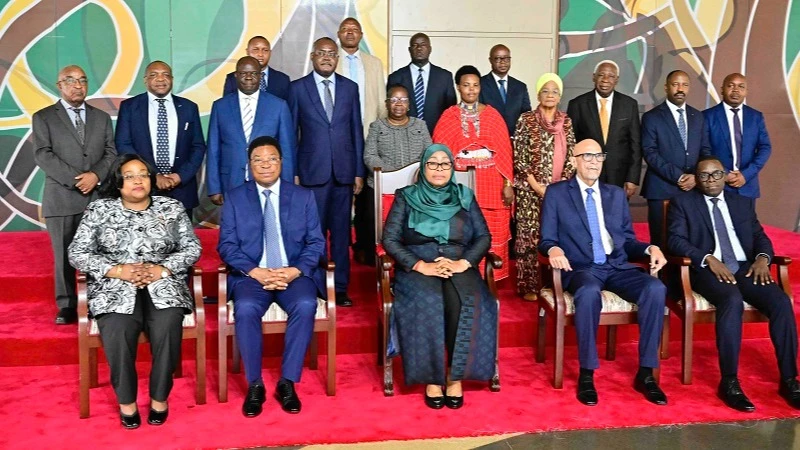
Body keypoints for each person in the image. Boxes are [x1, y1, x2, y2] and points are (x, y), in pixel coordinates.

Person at [68, 154, 201, 429]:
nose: (137, 180)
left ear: (151, 179)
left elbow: (192, 248)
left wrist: (162, 269)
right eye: (129, 176)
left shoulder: (172, 207)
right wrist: (118, 270)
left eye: (143, 174)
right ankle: (126, 402)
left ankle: (159, 398)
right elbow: (77, 252)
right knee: (118, 329)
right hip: (115, 287)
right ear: (118, 183)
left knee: (166, 325)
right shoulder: (99, 210)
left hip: (163, 284)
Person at [539, 139, 668, 407]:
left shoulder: (615, 195)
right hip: (580, 268)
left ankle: (646, 373)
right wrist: (552, 250)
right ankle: (587, 373)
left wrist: (650, 249)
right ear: (573, 160)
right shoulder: (557, 193)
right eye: (587, 156)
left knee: (655, 289)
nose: (594, 161)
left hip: (616, 266)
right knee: (587, 293)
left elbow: (628, 241)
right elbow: (546, 239)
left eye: (598, 156)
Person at [667, 156, 800, 412]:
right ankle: (729, 381)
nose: (711, 180)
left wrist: (762, 259)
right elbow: (675, 240)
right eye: (704, 175)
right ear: (697, 178)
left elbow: (760, 236)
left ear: (724, 174)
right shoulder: (683, 202)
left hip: (745, 267)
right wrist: (707, 259)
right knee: (731, 299)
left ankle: (790, 380)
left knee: (781, 301)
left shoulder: (741, 203)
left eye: (716, 174)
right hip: (706, 270)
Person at [382, 144, 498, 410]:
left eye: (444, 164)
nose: (439, 169)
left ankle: (455, 376)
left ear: (452, 168)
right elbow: (389, 238)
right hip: (420, 262)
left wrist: (464, 263)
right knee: (427, 301)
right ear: (423, 167)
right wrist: (419, 265)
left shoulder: (465, 196)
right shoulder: (406, 196)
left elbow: (483, 237)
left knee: (469, 300)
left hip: (458, 262)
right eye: (432, 164)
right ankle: (431, 379)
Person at [217, 136, 325, 417]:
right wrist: (256, 271)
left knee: (305, 304)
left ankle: (287, 382)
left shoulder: (302, 196)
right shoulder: (235, 197)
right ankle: (255, 384)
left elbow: (316, 242)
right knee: (246, 307)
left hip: (293, 274)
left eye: (271, 159)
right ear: (249, 164)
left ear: (281, 162)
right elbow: (226, 245)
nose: (265, 165)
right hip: (252, 276)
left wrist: (294, 270)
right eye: (258, 160)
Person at [32, 64, 117, 325]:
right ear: (59, 86)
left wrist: (96, 176)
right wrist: (77, 179)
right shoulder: (44, 117)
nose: (77, 85)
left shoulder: (101, 117)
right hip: (61, 197)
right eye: (70, 80)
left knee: (99, 253)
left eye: (82, 80)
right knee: (63, 255)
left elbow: (110, 153)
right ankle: (67, 305)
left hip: (96, 198)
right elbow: (43, 154)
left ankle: (98, 300)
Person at [288, 37, 364, 307]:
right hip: (311, 173)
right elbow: (290, 134)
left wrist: (358, 172)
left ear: (337, 58)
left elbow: (356, 130)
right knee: (314, 235)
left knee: (342, 235)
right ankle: (317, 285)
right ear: (312, 56)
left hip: (343, 174)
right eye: (321, 53)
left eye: (332, 54)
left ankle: (340, 287)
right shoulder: (297, 89)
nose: (327, 57)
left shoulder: (350, 88)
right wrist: (294, 171)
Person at [433, 65, 513, 280]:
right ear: (458, 87)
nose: (471, 90)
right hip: (460, 183)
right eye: (466, 85)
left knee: (491, 226)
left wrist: (507, 185)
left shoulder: (493, 115)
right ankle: (463, 273)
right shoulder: (449, 116)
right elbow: (439, 154)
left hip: (491, 183)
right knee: (462, 228)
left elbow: (504, 152)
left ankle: (490, 276)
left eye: (476, 85)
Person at [513, 73, 576, 301]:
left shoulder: (566, 121)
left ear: (560, 96)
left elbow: (571, 157)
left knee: (555, 237)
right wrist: (537, 187)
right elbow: (519, 158)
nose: (550, 95)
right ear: (538, 94)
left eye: (555, 91)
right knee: (529, 237)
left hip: (559, 193)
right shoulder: (526, 119)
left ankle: (554, 284)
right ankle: (529, 285)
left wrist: (558, 188)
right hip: (530, 192)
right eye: (545, 91)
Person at [115, 61, 206, 218]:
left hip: (181, 190)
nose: (160, 79)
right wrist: (154, 175)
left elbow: (198, 146)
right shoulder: (130, 107)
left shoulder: (189, 107)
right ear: (145, 80)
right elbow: (123, 144)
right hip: (142, 187)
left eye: (165, 74)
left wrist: (180, 176)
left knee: (181, 241)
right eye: (154, 75)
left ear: (171, 79)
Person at [206, 56, 295, 206]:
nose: (248, 77)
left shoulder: (278, 106)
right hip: (231, 181)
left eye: (254, 73)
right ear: (236, 76)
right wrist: (214, 188)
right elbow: (213, 149)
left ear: (260, 76)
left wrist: (287, 186)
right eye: (243, 73)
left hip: (269, 182)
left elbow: (286, 150)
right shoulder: (220, 106)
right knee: (234, 227)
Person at [335, 17, 387, 267]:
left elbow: (380, 103)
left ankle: (365, 245)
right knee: (341, 193)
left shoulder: (374, 63)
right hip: (340, 140)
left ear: (362, 34)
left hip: (369, 137)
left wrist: (382, 136)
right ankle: (341, 245)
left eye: (354, 30)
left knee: (368, 196)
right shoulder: (330, 61)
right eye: (345, 29)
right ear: (339, 34)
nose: (350, 33)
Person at [361, 84, 432, 264]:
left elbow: (429, 154)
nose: (398, 104)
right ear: (386, 104)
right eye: (393, 99)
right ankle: (379, 259)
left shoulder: (420, 125)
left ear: (409, 105)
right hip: (381, 187)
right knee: (372, 219)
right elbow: (369, 155)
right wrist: (390, 175)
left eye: (402, 100)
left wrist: (415, 173)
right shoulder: (377, 126)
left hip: (415, 187)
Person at [641, 69, 711, 247]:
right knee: (661, 240)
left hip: (693, 188)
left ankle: (688, 275)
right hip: (661, 188)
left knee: (691, 239)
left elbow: (705, 150)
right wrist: (679, 176)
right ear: (666, 87)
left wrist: (697, 177)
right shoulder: (652, 117)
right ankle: (660, 275)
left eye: (685, 85)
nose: (680, 89)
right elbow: (650, 152)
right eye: (675, 84)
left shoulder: (698, 117)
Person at [567, 60, 642, 196]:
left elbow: (635, 144)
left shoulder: (629, 105)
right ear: (594, 77)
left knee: (615, 214)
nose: (606, 80)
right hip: (587, 172)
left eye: (611, 76)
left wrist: (632, 178)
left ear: (617, 80)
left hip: (619, 175)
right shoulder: (577, 104)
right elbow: (572, 143)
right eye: (601, 75)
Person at [703, 73, 771, 199]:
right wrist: (724, 173)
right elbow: (704, 149)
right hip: (717, 185)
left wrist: (746, 174)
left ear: (746, 91)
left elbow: (765, 147)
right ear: (722, 89)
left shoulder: (756, 117)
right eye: (731, 85)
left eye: (741, 86)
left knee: (747, 219)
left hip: (748, 185)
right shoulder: (707, 116)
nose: (736, 90)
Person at [387, 33, 456, 135]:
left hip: (436, 135)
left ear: (430, 49)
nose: (419, 48)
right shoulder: (395, 77)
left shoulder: (445, 77)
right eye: (415, 45)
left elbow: (450, 110)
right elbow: (390, 111)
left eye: (423, 45)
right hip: (403, 135)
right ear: (409, 50)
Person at [479, 44, 532, 137]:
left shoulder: (520, 87)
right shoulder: (480, 84)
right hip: (489, 140)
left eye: (506, 58)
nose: (503, 62)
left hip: (514, 141)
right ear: (490, 60)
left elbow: (526, 116)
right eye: (498, 58)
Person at [222, 35, 291, 101]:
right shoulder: (233, 78)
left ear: (270, 53)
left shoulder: (283, 79)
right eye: (255, 50)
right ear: (247, 51)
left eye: (265, 50)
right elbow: (227, 106)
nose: (260, 54)